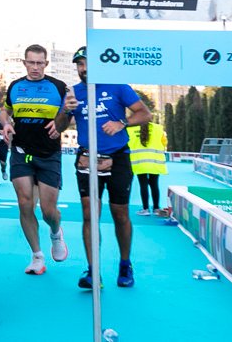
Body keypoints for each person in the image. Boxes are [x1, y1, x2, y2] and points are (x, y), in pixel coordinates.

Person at [62, 46, 151, 289]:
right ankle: (93, 271)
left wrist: (122, 122)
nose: (84, 68)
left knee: (119, 214)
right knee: (89, 214)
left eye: (87, 63)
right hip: (86, 158)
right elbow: (59, 127)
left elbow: (145, 114)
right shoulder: (74, 92)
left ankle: (125, 264)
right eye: (79, 64)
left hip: (118, 158)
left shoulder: (117, 86)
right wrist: (66, 110)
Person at [1, 44, 69, 276]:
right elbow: (5, 111)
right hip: (21, 151)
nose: (35, 67)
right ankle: (37, 256)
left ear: (46, 64)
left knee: (48, 211)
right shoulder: (15, 86)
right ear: (24, 63)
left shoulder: (58, 87)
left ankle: (56, 233)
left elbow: (69, 115)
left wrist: (60, 124)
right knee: (25, 203)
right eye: (31, 62)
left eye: (40, 63)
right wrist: (6, 123)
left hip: (49, 154)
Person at [128, 119, 168, 216]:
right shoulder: (158, 128)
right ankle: (156, 208)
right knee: (154, 184)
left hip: (139, 162)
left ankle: (145, 209)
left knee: (143, 184)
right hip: (155, 162)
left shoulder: (131, 130)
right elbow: (164, 143)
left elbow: (126, 144)